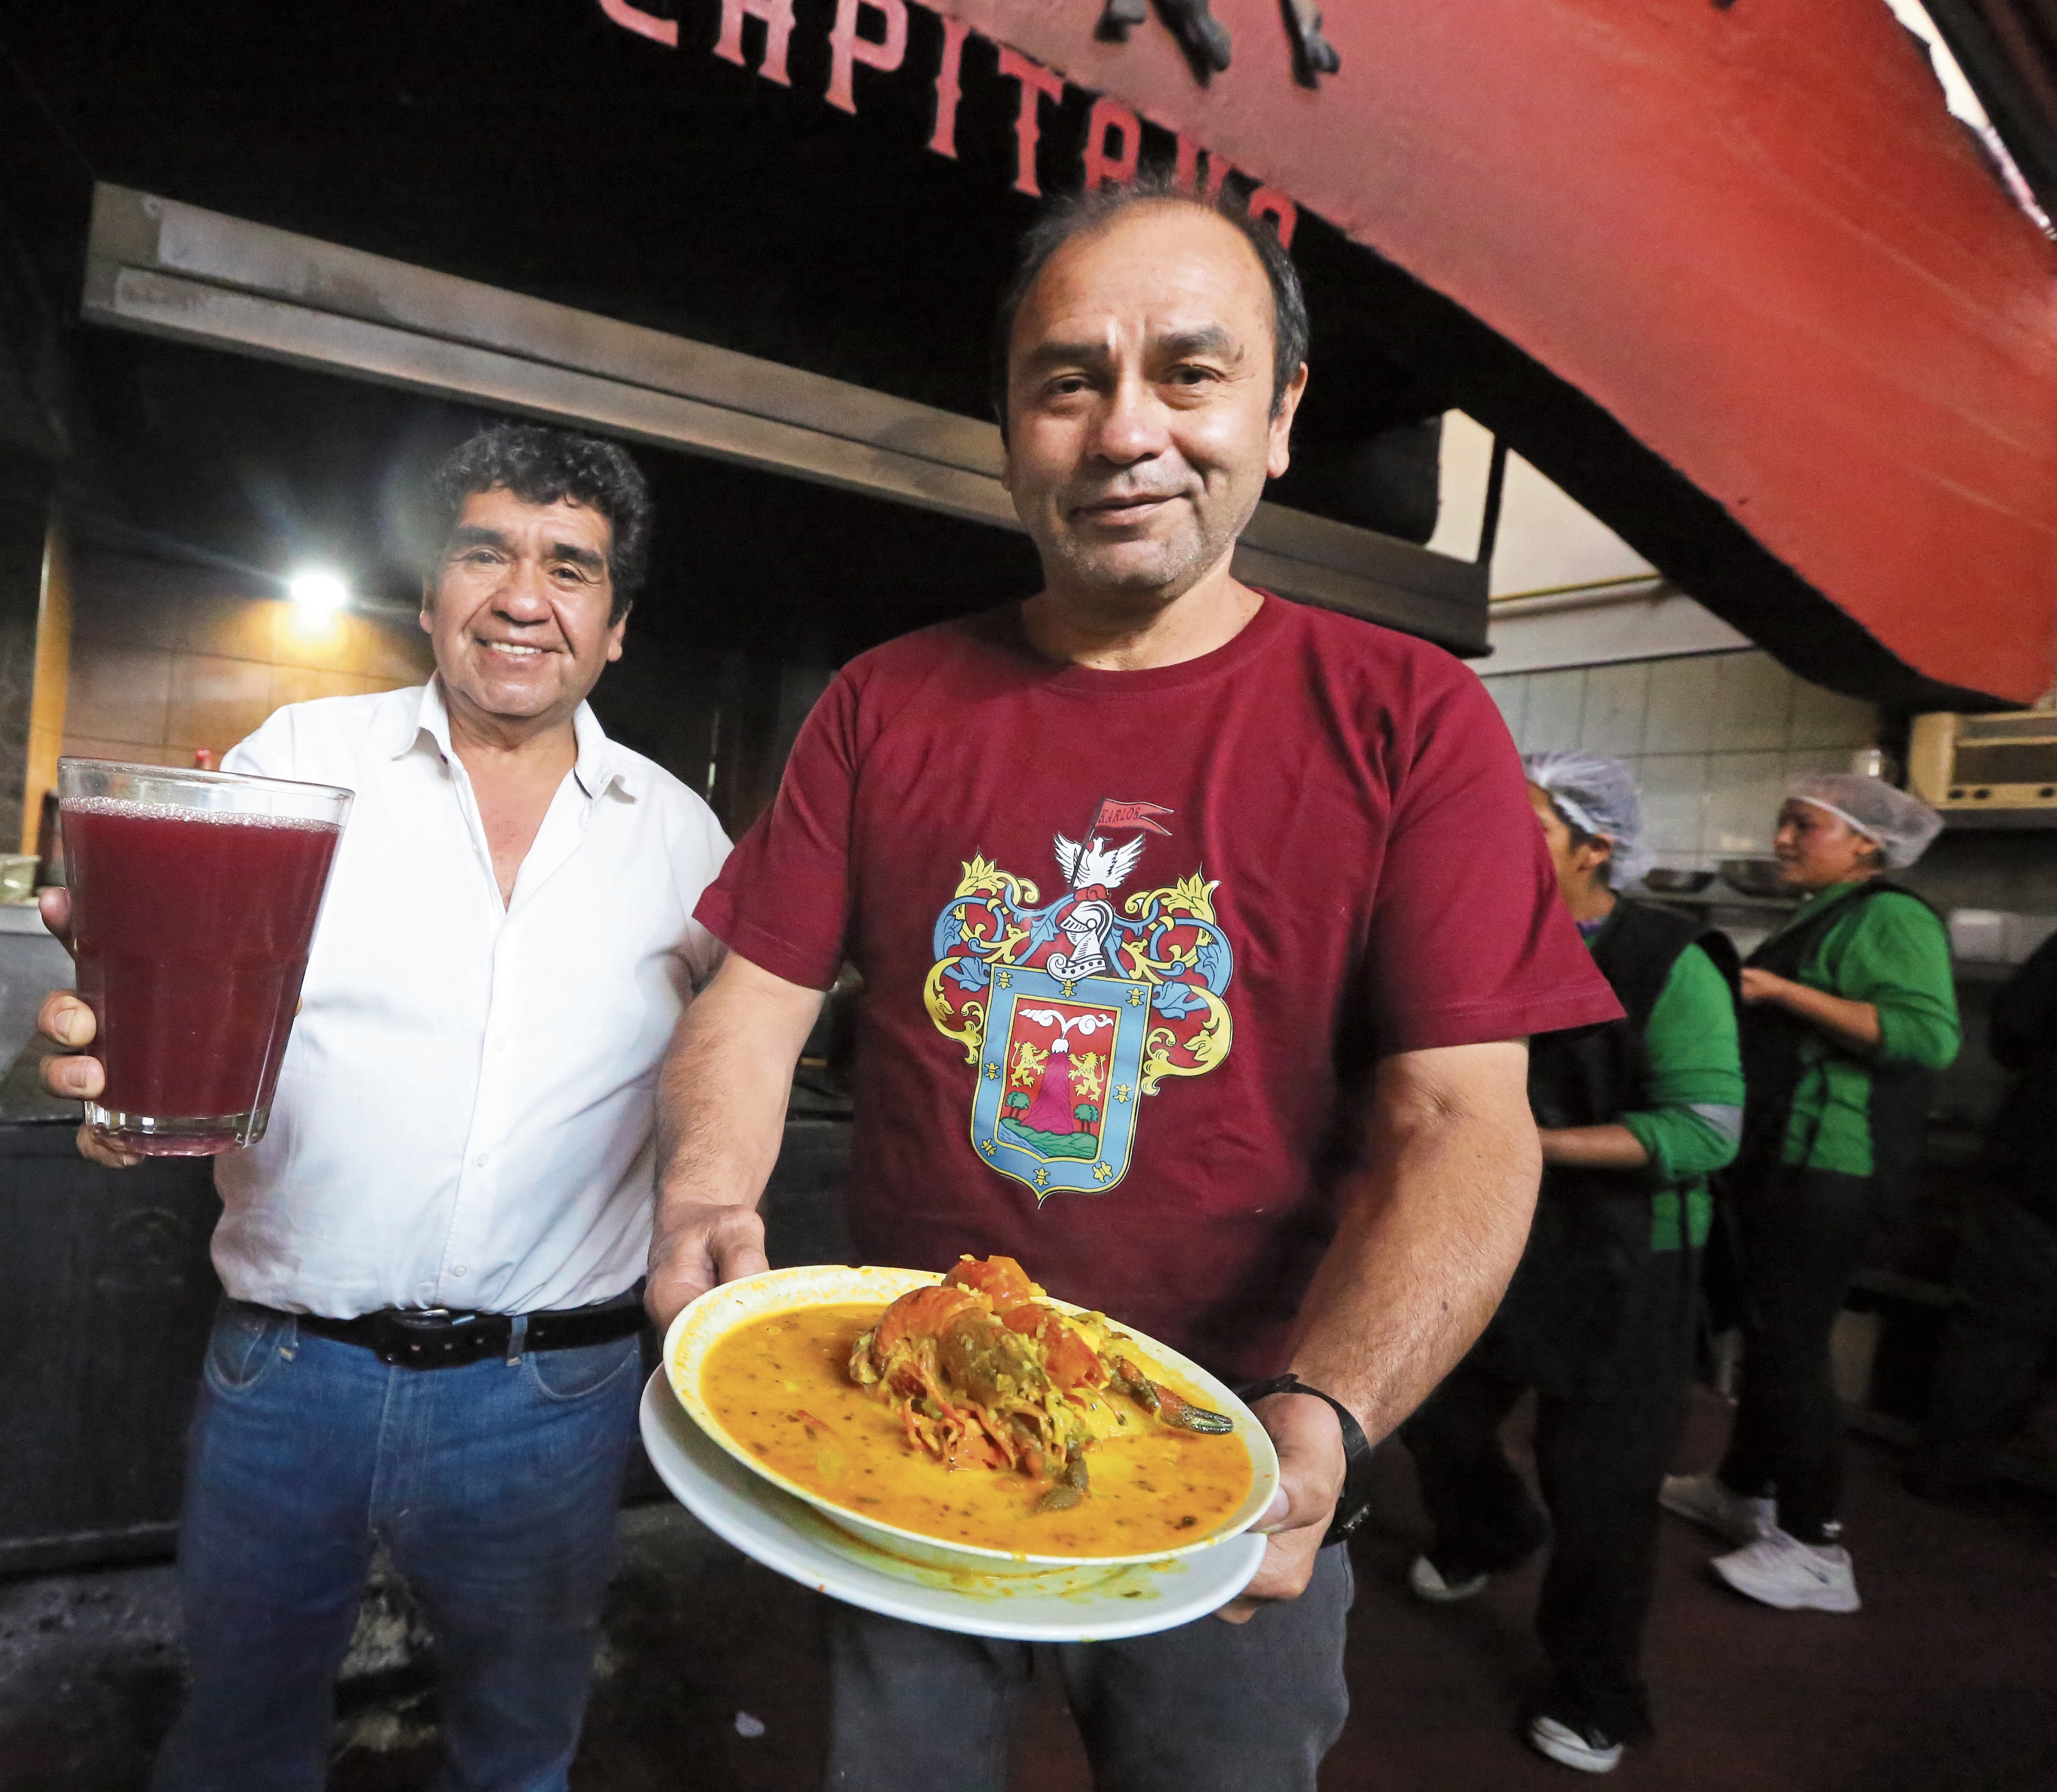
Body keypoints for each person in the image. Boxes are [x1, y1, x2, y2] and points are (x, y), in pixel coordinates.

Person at [644, 172, 1620, 1792]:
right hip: (900, 1419)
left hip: (1233, 1448)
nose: (1120, 430)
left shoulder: (1408, 718)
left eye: (1187, 368)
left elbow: (1461, 1116)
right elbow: (755, 997)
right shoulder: (885, 704)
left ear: (1279, 414)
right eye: (1066, 378)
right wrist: (702, 1191)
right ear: (1011, 420)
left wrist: (1334, 1409)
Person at [38, 423, 731, 1792]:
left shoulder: (681, 837)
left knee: (520, 1744)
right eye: (486, 552)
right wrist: (109, 1053)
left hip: (550, 1390)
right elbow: (170, 971)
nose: (523, 595)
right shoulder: (301, 761)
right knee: (238, 1736)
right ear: (428, 594)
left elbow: (741, 1059)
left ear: (616, 628)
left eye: (570, 568)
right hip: (292, 1370)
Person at [1401, 752, 1743, 1775]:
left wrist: (1526, 1143)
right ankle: (1495, 1526)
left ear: (1598, 847)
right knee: (1433, 1409)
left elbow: (1706, 1128)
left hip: (1625, 1260)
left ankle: (1598, 1691)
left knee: (1600, 1488)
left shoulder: (1667, 959)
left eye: (1529, 825)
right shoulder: (1481, 939)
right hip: (1492, 1232)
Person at [1661, 773, 1958, 1614]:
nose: (1782, 839)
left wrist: (1778, 990)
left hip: (1834, 1163)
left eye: (1803, 826)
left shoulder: (1890, 916)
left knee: (1791, 1344)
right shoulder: (1822, 912)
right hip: (1787, 1159)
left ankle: (1818, 1544)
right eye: (1783, 823)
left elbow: (1927, 1036)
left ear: (1868, 843)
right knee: (1768, 1333)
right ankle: (1741, 1489)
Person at [1908, 924, 2057, 1498]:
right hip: (2034, 1159)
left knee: (1994, 1329)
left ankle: (1948, 1471)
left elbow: (2010, 1031)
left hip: (2035, 1155)